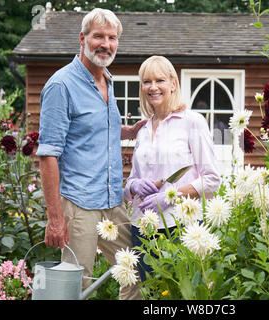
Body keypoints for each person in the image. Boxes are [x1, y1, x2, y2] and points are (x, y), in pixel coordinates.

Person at [36, 8, 145, 300]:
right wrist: (55, 218)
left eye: (112, 38)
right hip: (79, 204)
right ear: (82, 38)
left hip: (112, 200)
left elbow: (94, 128)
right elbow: (47, 155)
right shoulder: (62, 85)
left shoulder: (106, 79)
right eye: (98, 36)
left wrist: (129, 131)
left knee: (135, 271)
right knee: (74, 288)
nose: (105, 44)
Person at [123, 55, 221, 282]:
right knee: (151, 295)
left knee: (179, 295)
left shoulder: (192, 122)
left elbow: (212, 179)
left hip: (179, 226)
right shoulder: (143, 130)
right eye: (147, 82)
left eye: (160, 80)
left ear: (173, 84)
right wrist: (134, 185)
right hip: (143, 229)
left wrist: (170, 196)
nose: (153, 87)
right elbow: (130, 184)